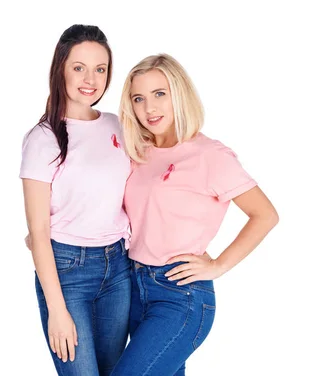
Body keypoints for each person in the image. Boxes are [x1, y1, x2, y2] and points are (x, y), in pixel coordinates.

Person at [110, 53, 279, 376]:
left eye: (160, 94)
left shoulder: (209, 155)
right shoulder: (137, 152)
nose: (150, 108)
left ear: (179, 93)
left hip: (180, 294)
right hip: (132, 286)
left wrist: (218, 265)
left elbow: (265, 214)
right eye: (139, 98)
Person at [19, 24, 132, 376]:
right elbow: (37, 230)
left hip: (118, 267)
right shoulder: (43, 138)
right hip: (68, 272)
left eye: (100, 69)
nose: (91, 78)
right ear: (61, 69)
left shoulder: (118, 125)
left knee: (115, 370)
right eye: (79, 67)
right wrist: (56, 308)